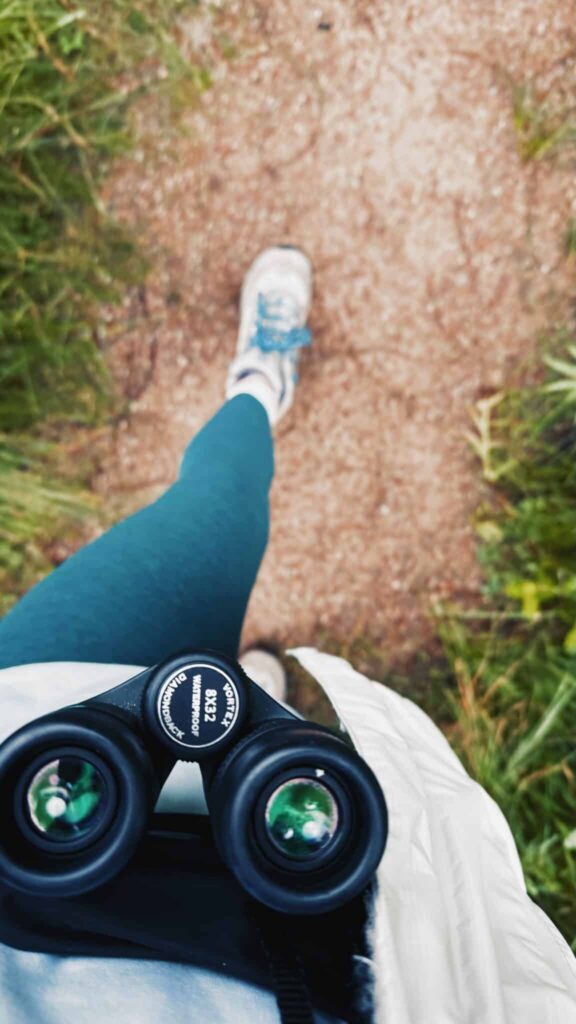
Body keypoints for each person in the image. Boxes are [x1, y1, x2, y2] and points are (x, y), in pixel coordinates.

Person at [0, 248, 574, 1024]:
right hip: (346, 944)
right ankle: (259, 727)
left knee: (218, 505)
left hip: (40, 731)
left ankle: (256, 390)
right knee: (289, 764)